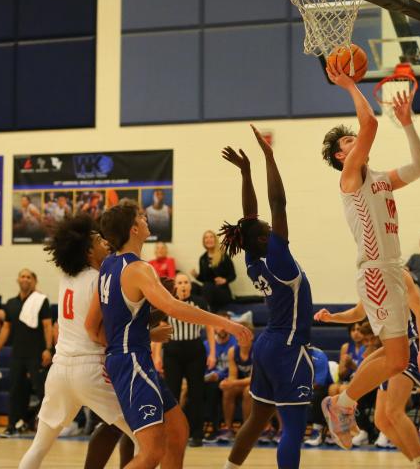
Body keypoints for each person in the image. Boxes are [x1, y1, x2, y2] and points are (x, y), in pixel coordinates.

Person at [85, 199, 251, 469]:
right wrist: (227, 324)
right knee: (151, 452)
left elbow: (92, 326)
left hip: (130, 359)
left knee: (178, 430)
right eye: (140, 216)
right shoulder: (138, 268)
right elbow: (174, 307)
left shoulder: (108, 266)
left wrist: (130, 341)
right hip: (132, 363)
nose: (145, 219)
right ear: (133, 229)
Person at [319, 62, 420, 449]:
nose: (355, 143)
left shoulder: (380, 178)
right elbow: (370, 125)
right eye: (346, 143)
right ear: (339, 157)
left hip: (391, 271)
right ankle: (341, 404)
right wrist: (350, 85)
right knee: (398, 359)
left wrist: (409, 123)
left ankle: (342, 403)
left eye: (353, 141)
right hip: (377, 273)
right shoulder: (349, 177)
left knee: (392, 355)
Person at [20, 213, 175, 469]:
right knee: (148, 439)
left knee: (38, 446)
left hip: (60, 370)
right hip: (91, 367)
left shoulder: (66, 278)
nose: (105, 242)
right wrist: (152, 329)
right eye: (98, 240)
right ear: (87, 252)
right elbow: (110, 332)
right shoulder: (101, 280)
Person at [218, 124, 315, 469]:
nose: (273, 228)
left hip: (267, 344)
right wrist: (268, 156)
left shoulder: (253, 258)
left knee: (257, 419)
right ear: (265, 240)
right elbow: (278, 203)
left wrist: (246, 172)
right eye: (269, 231)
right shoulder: (278, 259)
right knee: (293, 427)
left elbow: (249, 217)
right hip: (288, 347)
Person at [315, 268, 420, 468]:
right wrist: (331, 317)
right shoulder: (368, 278)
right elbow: (357, 313)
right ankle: (340, 403)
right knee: (381, 419)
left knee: (395, 412)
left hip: (409, 345)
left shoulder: (398, 273)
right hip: (389, 346)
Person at [0, 269, 53, 438]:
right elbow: (6, 328)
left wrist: (48, 349)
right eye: (22, 276)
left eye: (29, 277)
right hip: (17, 354)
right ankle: (13, 425)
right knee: (15, 391)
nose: (25, 279)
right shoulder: (11, 303)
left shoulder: (41, 301)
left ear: (34, 281)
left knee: (42, 390)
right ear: (17, 279)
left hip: (37, 353)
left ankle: (45, 426)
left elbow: (48, 326)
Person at [158, 271, 215, 446]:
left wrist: (212, 352)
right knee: (172, 394)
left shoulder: (199, 302)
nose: (183, 285)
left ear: (190, 285)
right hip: (172, 352)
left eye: (185, 282)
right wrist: (156, 356)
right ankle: (171, 433)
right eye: (180, 283)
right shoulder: (168, 303)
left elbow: (210, 327)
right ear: (175, 286)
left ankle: (197, 434)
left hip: (195, 351)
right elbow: (162, 329)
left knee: (196, 393)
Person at [192, 230, 237, 311]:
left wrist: (225, 280)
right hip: (208, 290)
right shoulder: (203, 258)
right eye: (206, 237)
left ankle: (206, 312)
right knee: (192, 285)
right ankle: (192, 310)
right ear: (204, 241)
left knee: (207, 286)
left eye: (211, 237)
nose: (208, 239)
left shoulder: (223, 256)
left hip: (222, 291)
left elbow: (233, 275)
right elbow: (204, 279)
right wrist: (196, 276)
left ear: (215, 240)